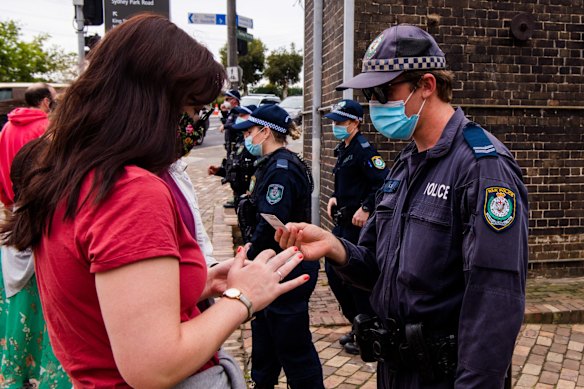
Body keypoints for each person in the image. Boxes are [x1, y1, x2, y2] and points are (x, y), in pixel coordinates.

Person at [0, 14, 311, 388]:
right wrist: (244, 297)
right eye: (194, 110)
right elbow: (154, 364)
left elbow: (112, 298)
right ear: (153, 104)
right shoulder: (129, 192)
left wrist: (203, 281)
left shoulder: (71, 175)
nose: (196, 126)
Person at [276, 24, 528, 388]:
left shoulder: (482, 167)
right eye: (370, 94)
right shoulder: (407, 163)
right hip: (397, 369)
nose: (375, 103)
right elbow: (378, 266)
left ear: (426, 85)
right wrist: (335, 247)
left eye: (383, 90)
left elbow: (495, 302)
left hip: (446, 375)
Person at [232, 105, 324, 389]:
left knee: (294, 350)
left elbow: (271, 225)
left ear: (265, 131)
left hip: (286, 267)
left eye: (249, 132)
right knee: (265, 343)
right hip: (272, 267)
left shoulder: (281, 170)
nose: (246, 138)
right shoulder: (273, 164)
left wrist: (246, 256)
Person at [0, 83, 70, 388]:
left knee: (16, 295)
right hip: (46, 209)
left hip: (15, 208)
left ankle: (17, 366)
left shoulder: (5, 130)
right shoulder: (46, 130)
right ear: (45, 102)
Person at [322, 99, 387, 355]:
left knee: (356, 280)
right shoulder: (344, 148)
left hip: (358, 229)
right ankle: (356, 323)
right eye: (334, 121)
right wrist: (336, 197)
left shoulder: (364, 150)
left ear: (355, 123)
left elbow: (382, 182)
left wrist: (367, 207)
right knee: (335, 273)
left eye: (340, 122)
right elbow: (348, 183)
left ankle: (368, 332)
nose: (336, 126)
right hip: (343, 223)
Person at [208, 104, 258, 211]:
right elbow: (237, 167)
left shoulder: (256, 148)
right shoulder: (241, 141)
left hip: (251, 203)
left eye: (242, 115)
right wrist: (220, 171)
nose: (238, 117)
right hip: (240, 201)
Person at [219, 89, 242, 208]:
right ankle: (235, 195)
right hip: (230, 147)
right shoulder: (231, 113)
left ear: (234, 101)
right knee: (230, 170)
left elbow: (237, 126)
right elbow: (227, 122)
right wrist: (223, 114)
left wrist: (226, 125)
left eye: (228, 99)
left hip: (235, 148)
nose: (225, 101)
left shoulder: (238, 113)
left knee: (235, 173)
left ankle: (237, 196)